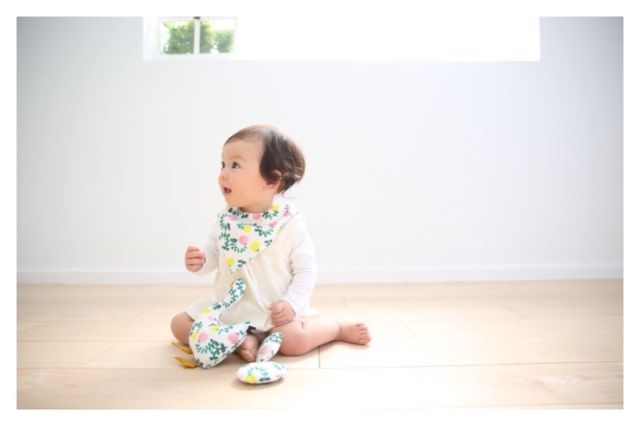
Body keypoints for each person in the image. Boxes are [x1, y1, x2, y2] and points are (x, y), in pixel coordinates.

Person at [170, 124, 371, 362]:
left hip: (275, 316)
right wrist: (200, 261)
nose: (223, 173)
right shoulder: (225, 219)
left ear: (271, 180)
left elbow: (306, 271)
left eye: (235, 165)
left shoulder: (289, 222)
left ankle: (336, 328)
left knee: (294, 342)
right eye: (223, 164)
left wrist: (291, 304)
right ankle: (242, 339)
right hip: (233, 313)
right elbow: (213, 256)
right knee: (179, 324)